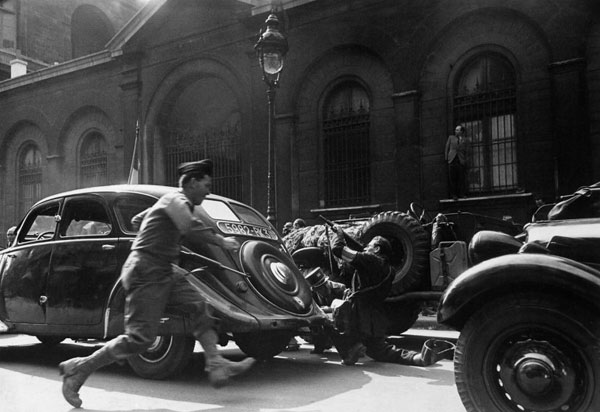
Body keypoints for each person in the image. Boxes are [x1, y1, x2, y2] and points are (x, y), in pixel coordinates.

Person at [59, 159, 255, 408]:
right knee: (139, 339)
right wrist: (222, 242)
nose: (208, 191)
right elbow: (191, 228)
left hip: (163, 269)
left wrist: (163, 237)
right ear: (192, 182)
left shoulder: (171, 204)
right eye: (206, 185)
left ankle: (216, 364)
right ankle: (78, 369)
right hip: (146, 272)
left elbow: (138, 221)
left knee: (199, 307)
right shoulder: (177, 201)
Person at [327, 225, 452, 366]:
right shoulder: (388, 270)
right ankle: (419, 357)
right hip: (375, 319)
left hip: (357, 316)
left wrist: (338, 234)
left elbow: (339, 250)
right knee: (381, 351)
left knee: (326, 323)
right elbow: (360, 256)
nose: (365, 248)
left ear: (377, 249)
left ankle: (351, 349)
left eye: (369, 246)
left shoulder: (371, 261)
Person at [445, 124, 469, 199]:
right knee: (452, 178)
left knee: (461, 178)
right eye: (456, 130)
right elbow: (447, 148)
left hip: (460, 160)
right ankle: (453, 195)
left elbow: (467, 151)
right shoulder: (451, 138)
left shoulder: (465, 140)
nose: (456, 131)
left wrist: (465, 161)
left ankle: (461, 194)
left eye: (458, 130)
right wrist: (447, 158)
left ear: (462, 131)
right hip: (452, 160)